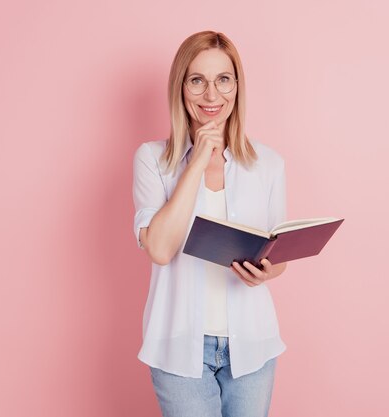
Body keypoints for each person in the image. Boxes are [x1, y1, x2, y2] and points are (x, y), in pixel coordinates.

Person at [132, 30, 288, 417]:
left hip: (253, 346)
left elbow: (279, 252)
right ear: (181, 86)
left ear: (237, 86)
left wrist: (267, 270)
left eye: (223, 79)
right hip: (179, 348)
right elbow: (161, 249)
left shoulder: (267, 163)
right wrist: (198, 159)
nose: (211, 95)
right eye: (197, 80)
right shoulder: (152, 160)